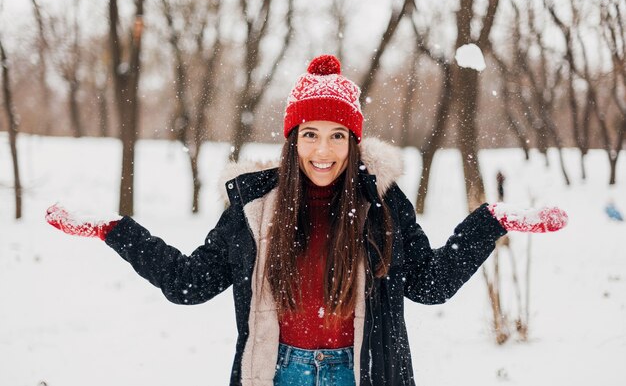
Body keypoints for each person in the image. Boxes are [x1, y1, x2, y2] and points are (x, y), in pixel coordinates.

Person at [46, 55, 568, 386]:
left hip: (361, 373)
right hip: (277, 371)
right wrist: (114, 229)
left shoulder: (380, 204)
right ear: (292, 139)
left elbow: (430, 284)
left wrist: (490, 221)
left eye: (337, 135)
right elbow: (189, 283)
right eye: (311, 134)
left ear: (354, 142)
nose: (324, 150)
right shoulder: (255, 210)